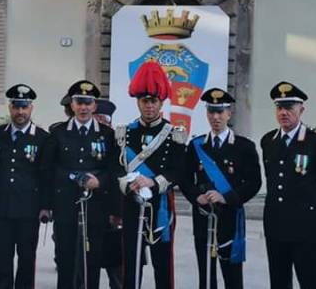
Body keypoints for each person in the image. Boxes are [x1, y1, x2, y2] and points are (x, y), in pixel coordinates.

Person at [260, 81, 316, 289]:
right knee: (279, 282)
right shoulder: (268, 141)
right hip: (276, 225)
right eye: (279, 107)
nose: (284, 113)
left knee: (311, 282)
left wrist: (315, 210)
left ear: (301, 109)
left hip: (307, 228)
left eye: (289, 107)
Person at [180, 88, 261, 289]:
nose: (215, 117)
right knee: (206, 276)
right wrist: (196, 196)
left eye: (220, 112)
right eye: (211, 112)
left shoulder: (244, 147)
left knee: (232, 277)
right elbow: (184, 178)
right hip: (203, 216)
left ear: (229, 113)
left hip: (230, 218)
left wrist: (226, 197)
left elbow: (254, 182)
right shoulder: (196, 145)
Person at [40, 80, 118, 289]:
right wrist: (46, 205)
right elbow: (48, 170)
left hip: (96, 207)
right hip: (66, 205)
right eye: (79, 102)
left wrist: (99, 181)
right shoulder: (58, 133)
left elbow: (113, 170)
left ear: (94, 106)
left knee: (92, 259)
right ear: (71, 105)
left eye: (88, 103)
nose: (83, 107)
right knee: (65, 258)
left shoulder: (107, 134)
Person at [115, 61, 186, 289]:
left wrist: (153, 182)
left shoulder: (172, 134)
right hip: (131, 204)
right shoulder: (125, 132)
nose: (149, 106)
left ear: (161, 102)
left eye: (153, 101)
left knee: (163, 265)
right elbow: (116, 167)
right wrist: (128, 183)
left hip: (160, 205)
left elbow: (178, 170)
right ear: (138, 101)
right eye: (144, 101)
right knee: (130, 264)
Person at [0, 84, 49, 289]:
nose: (20, 112)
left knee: (26, 259)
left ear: (31, 108)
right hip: (2, 208)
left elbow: (46, 175)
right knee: (3, 260)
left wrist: (46, 206)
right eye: (16, 107)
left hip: (29, 209)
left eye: (24, 107)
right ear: (10, 108)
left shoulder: (42, 138)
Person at [94, 99, 123, 289]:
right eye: (99, 120)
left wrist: (119, 213)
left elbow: (120, 178)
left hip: (112, 211)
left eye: (105, 120)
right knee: (88, 265)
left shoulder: (117, 142)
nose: (102, 124)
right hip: (91, 210)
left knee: (117, 268)